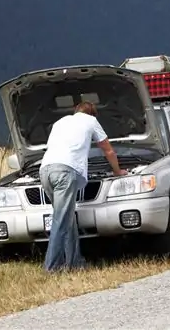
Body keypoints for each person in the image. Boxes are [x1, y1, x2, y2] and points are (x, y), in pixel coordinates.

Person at [39, 101, 128, 272]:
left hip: (45, 171)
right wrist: (117, 171)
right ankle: (52, 267)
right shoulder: (91, 121)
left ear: (76, 111)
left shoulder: (60, 122)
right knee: (61, 221)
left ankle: (75, 263)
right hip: (65, 172)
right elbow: (108, 150)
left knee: (67, 218)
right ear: (92, 114)